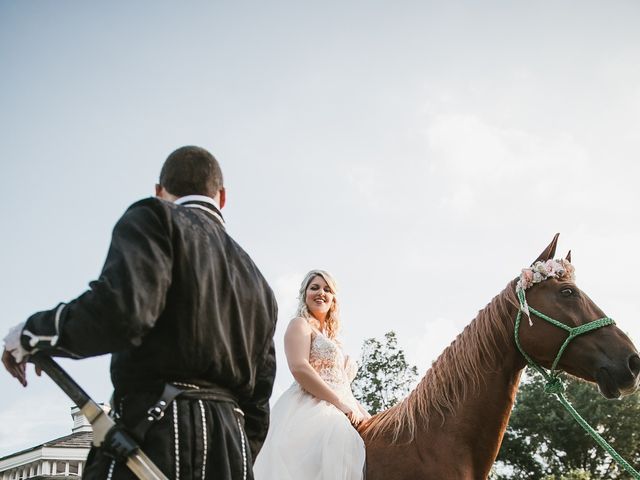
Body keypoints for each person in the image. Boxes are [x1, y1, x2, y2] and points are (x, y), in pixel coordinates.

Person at [2, 146, 278, 480]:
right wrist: (232, 456)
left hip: (158, 432)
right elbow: (259, 404)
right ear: (222, 197)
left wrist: (31, 333)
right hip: (230, 449)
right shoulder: (259, 283)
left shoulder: (155, 217)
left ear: (160, 192)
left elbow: (122, 312)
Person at [253, 269, 369, 480]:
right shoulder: (300, 325)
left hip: (343, 406)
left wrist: (365, 415)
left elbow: (344, 388)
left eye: (327, 289)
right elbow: (299, 368)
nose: (320, 293)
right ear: (304, 294)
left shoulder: (333, 340)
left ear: (334, 299)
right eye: (314, 287)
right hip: (311, 407)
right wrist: (338, 403)